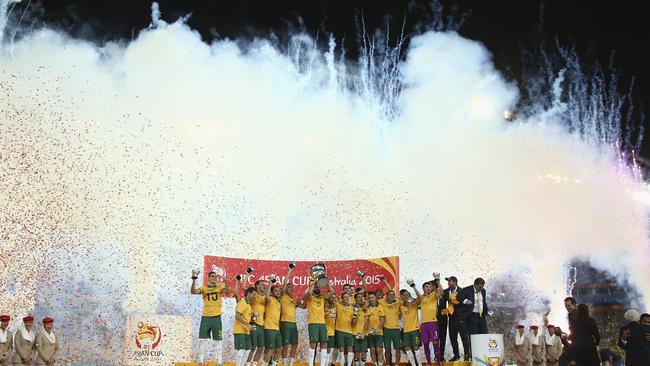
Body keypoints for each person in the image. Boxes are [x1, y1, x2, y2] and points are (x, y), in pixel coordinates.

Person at [191, 269, 231, 366]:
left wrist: (225, 281)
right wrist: (194, 278)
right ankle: (201, 362)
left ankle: (219, 363)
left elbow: (228, 292)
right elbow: (193, 292)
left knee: (218, 340)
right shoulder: (204, 288)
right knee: (202, 340)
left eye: (215, 276)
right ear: (208, 278)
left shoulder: (220, 286)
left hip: (216, 317)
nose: (214, 278)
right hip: (206, 317)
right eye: (212, 276)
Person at [441, 276, 469, 361]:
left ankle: (467, 356)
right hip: (451, 318)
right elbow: (440, 294)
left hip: (461, 318)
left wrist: (464, 316)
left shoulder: (462, 291)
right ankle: (456, 355)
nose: (448, 283)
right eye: (448, 281)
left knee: (464, 338)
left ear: (455, 282)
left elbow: (466, 305)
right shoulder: (446, 291)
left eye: (450, 281)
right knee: (452, 337)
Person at [280, 267, 305, 366]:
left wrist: (306, 299)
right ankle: (284, 363)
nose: (290, 289)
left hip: (293, 324)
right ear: (285, 289)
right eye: (288, 287)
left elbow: (303, 306)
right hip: (285, 323)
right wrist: (290, 270)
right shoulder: (282, 296)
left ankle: (290, 363)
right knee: (285, 345)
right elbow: (285, 282)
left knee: (295, 344)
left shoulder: (294, 298)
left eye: (292, 287)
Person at [304, 279, 330, 366]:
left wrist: (327, 282)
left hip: (322, 324)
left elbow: (332, 292)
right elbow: (308, 294)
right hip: (313, 323)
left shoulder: (322, 298)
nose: (318, 288)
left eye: (319, 287)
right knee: (313, 344)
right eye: (316, 287)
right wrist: (314, 283)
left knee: (324, 343)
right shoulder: (310, 298)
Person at [419, 278, 444, 366]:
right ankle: (429, 363)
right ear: (423, 288)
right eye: (426, 286)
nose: (429, 288)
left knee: (435, 342)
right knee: (425, 343)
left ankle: (438, 363)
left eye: (429, 286)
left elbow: (441, 292)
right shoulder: (420, 298)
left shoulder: (433, 295)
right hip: (423, 324)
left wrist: (438, 282)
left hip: (433, 323)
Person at [379, 277, 402, 366]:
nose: (391, 295)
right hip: (386, 330)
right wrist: (384, 281)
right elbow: (389, 290)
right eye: (390, 294)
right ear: (387, 296)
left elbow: (391, 290)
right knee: (387, 349)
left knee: (397, 349)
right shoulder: (382, 302)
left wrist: (385, 280)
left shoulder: (398, 302)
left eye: (393, 294)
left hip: (396, 330)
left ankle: (396, 364)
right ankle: (388, 364)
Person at [400, 281, 422, 366]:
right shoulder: (401, 306)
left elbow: (419, 299)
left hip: (415, 329)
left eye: (408, 294)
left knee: (416, 348)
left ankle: (419, 365)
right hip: (405, 331)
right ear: (402, 297)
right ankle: (413, 365)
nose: (407, 296)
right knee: (407, 349)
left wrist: (413, 287)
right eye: (404, 295)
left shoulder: (414, 304)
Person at [247, 279, 268, 366]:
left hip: (261, 325)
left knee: (260, 347)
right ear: (257, 286)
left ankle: (254, 364)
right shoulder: (254, 295)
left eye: (264, 285)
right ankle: (248, 364)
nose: (264, 286)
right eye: (262, 284)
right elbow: (245, 288)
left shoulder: (265, 297)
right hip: (253, 324)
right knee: (253, 347)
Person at [234, 287, 256, 366]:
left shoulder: (249, 305)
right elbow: (237, 315)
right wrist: (247, 325)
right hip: (239, 331)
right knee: (242, 350)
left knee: (247, 351)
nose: (255, 296)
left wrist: (254, 317)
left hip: (246, 331)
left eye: (256, 295)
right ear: (248, 293)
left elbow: (249, 320)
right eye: (253, 294)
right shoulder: (242, 302)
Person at [263, 278, 283, 366]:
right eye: (276, 291)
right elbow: (266, 297)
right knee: (270, 349)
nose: (278, 292)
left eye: (279, 291)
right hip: (269, 328)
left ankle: (273, 364)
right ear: (272, 292)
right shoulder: (270, 299)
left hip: (277, 329)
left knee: (279, 348)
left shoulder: (278, 302)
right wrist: (270, 284)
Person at [334, 292, 355, 366]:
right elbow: (333, 299)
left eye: (348, 297)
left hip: (349, 331)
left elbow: (354, 321)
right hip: (339, 330)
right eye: (345, 297)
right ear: (342, 298)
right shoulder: (338, 305)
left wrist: (355, 317)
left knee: (350, 349)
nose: (347, 298)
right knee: (341, 350)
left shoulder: (352, 308)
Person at [366, 292, 385, 366]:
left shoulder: (380, 307)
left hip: (378, 332)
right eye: (369, 298)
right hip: (369, 332)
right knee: (372, 350)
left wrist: (378, 329)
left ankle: (380, 364)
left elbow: (382, 320)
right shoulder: (367, 307)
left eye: (372, 297)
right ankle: (375, 364)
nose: (371, 299)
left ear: (375, 298)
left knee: (379, 350)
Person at [558, 297, 577, 366]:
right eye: (566, 306)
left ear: (574, 304)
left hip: (579, 345)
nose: (567, 308)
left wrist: (568, 337)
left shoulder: (577, 314)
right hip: (575, 343)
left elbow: (578, 332)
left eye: (569, 306)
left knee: (563, 359)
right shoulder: (570, 314)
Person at [352, 292, 370, 366]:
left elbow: (366, 322)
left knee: (363, 351)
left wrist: (363, 333)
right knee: (356, 351)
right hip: (354, 333)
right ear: (355, 299)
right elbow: (353, 323)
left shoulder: (365, 309)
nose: (360, 299)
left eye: (361, 297)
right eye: (358, 297)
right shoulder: (352, 309)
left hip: (364, 333)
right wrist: (355, 312)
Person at [325, 295, 338, 366]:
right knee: (323, 348)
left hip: (332, 331)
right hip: (324, 330)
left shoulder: (336, 307)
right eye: (331, 297)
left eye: (334, 297)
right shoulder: (324, 308)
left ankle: (326, 364)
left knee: (329, 349)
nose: (333, 299)